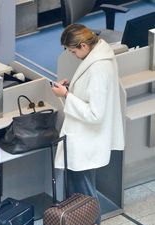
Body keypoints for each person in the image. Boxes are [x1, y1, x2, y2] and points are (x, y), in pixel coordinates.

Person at [51, 24, 124, 200]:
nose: (73, 56)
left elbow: (95, 114)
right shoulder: (99, 54)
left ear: (83, 45)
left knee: (85, 196)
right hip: (87, 138)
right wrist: (72, 89)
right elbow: (92, 94)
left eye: (73, 51)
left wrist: (67, 95)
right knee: (81, 194)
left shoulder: (99, 68)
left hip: (86, 140)